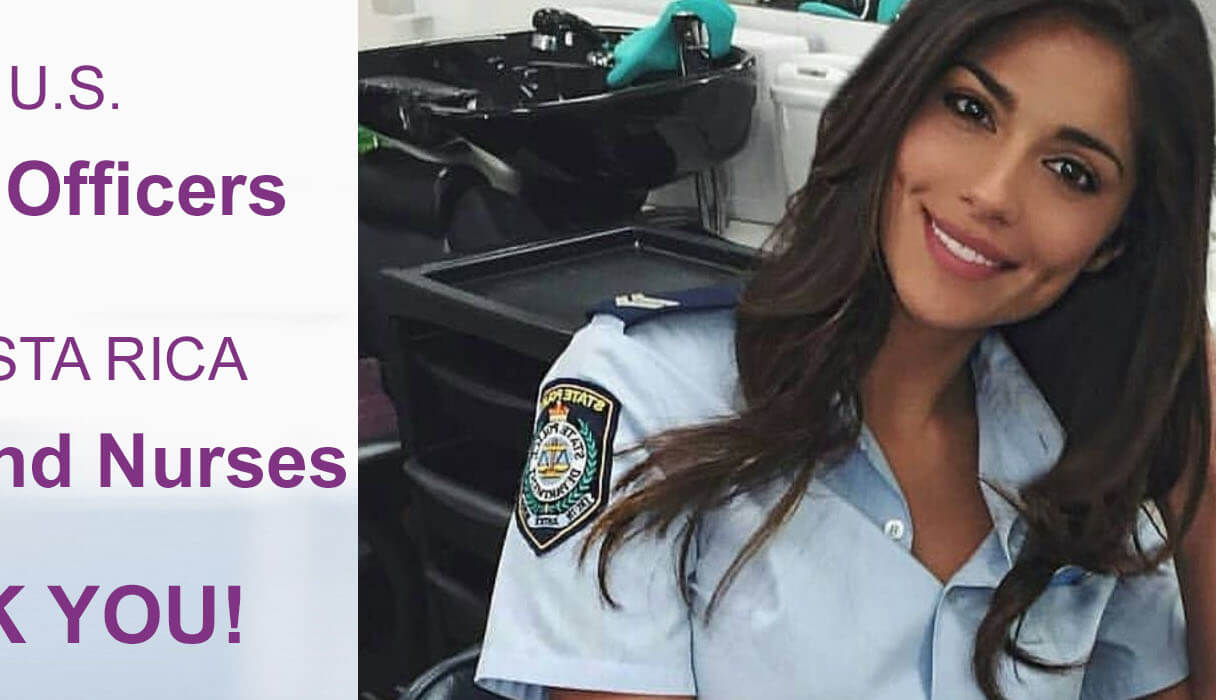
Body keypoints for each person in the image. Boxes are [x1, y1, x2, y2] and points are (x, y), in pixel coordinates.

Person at [473, 0, 1215, 698]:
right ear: (898, 102)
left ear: (1114, 242)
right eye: (970, 109)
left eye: (1071, 173)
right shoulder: (646, 396)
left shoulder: (1084, 458)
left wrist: (1196, 429)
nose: (993, 193)